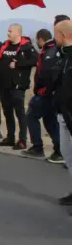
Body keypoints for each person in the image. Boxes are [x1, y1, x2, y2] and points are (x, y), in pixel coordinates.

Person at [0, 24, 38, 150]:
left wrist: (19, 63)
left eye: (10, 31)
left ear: (18, 33)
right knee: (7, 113)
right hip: (4, 85)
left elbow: (35, 61)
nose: (8, 33)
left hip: (18, 86)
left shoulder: (26, 47)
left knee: (20, 113)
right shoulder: (5, 45)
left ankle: (22, 140)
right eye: (8, 31)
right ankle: (10, 137)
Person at [23, 29, 62, 162]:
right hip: (51, 94)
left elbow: (46, 74)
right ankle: (59, 150)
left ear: (40, 39)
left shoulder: (48, 52)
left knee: (31, 116)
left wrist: (42, 90)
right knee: (50, 121)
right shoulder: (54, 50)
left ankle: (37, 147)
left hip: (45, 93)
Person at [51, 19, 72, 208]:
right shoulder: (63, 56)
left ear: (63, 35)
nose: (53, 37)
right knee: (68, 156)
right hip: (62, 113)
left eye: (55, 34)